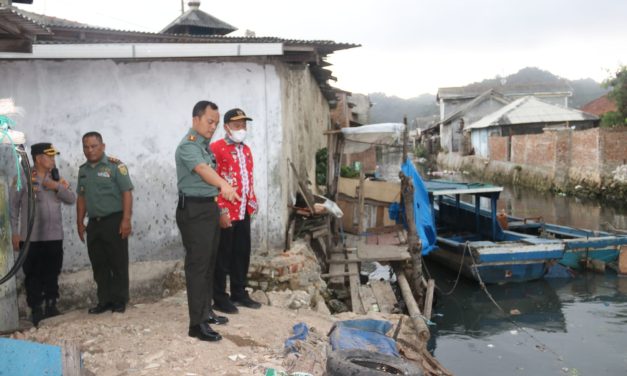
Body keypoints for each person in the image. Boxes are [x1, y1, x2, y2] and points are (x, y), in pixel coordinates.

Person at [175, 100, 239, 342]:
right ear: (196, 120)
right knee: (198, 267)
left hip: (208, 208)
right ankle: (196, 324)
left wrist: (220, 205)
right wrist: (223, 185)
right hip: (194, 211)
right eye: (209, 122)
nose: (213, 127)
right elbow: (203, 170)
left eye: (215, 122)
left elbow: (208, 169)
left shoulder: (203, 145)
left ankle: (206, 311)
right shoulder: (188, 146)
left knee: (209, 263)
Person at [10, 143, 76, 326]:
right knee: (32, 275)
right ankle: (36, 310)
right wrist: (15, 233)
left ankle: (51, 306)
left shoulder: (56, 178)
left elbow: (71, 199)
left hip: (54, 236)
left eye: (54, 156)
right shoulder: (23, 177)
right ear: (39, 158)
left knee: (52, 272)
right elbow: (13, 208)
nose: (54, 160)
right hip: (31, 238)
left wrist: (56, 186)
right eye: (50, 156)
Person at [76, 132, 133, 314]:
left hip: (114, 220)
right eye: (86, 147)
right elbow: (82, 197)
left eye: (94, 146)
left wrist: (126, 220)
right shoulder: (83, 170)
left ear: (103, 146)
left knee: (118, 263)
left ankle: (119, 300)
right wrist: (79, 222)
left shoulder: (116, 166)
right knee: (99, 264)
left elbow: (126, 193)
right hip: (94, 223)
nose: (90, 150)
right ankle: (104, 300)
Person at [211, 108, 261, 314]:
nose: (241, 129)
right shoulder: (215, 148)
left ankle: (239, 292)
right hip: (225, 212)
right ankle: (220, 297)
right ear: (226, 127)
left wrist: (252, 199)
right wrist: (219, 208)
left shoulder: (246, 150)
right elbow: (211, 181)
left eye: (244, 125)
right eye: (237, 125)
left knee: (241, 253)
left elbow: (247, 178)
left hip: (243, 210)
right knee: (223, 256)